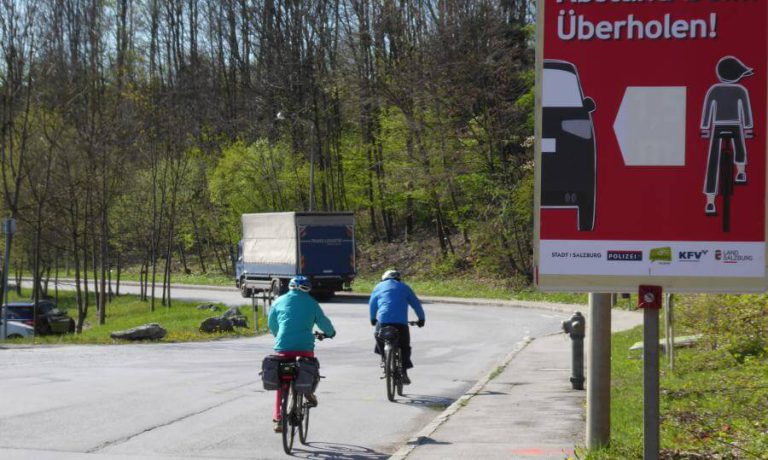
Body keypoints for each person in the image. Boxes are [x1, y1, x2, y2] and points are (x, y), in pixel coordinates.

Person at [267, 275, 335, 433]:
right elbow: (324, 323)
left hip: (283, 347)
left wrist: (279, 336)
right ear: (308, 288)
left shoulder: (278, 301)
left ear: (289, 287)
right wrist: (330, 333)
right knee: (309, 369)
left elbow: (272, 324)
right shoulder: (312, 303)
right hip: (305, 347)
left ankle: (278, 418)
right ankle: (308, 392)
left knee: (281, 384)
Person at [369, 269, 425, 385]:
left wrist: (373, 318)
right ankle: (404, 372)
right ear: (398, 278)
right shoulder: (404, 287)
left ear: (384, 278)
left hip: (383, 321)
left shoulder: (378, 287)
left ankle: (384, 358)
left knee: (378, 335)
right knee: (404, 346)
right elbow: (416, 304)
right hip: (401, 323)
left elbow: (372, 304)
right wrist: (421, 319)